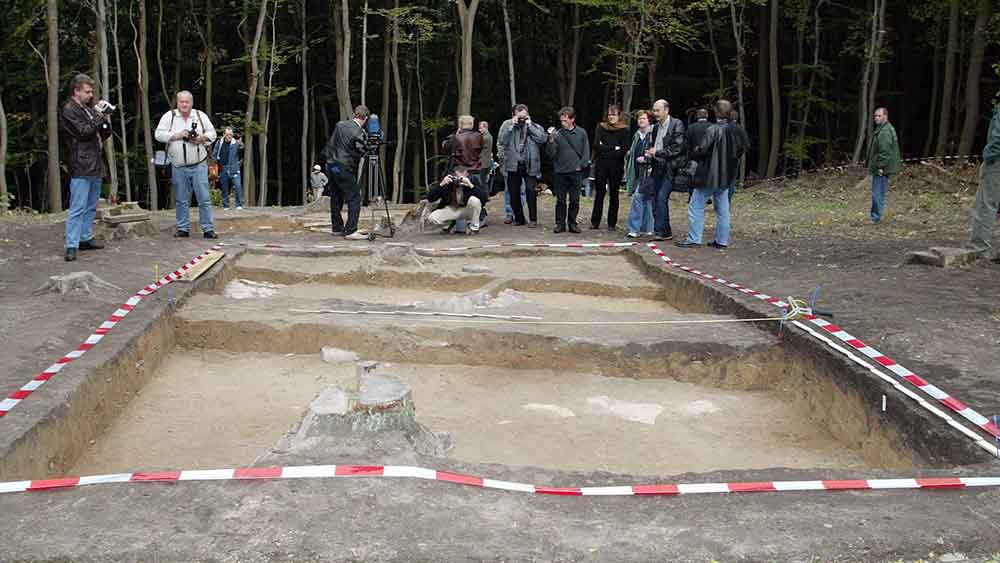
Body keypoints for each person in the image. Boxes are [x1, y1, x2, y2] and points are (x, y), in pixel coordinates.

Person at [678, 99, 749, 249]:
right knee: (723, 209)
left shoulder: (713, 129)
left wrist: (694, 153)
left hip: (709, 175)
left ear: (716, 112)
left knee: (695, 206)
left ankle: (694, 239)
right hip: (727, 176)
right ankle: (722, 240)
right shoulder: (738, 129)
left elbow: (701, 150)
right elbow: (744, 148)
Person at [61, 73, 112, 262]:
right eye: (87, 91)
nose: (91, 95)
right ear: (76, 91)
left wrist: (104, 118)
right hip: (81, 164)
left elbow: (104, 134)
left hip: (96, 163)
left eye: (91, 91)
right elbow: (83, 132)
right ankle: (71, 245)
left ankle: (85, 238)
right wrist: (98, 117)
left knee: (91, 205)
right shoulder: (69, 110)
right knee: (78, 207)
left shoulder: (88, 109)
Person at [154, 90, 218, 239]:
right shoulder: (169, 117)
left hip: (199, 164)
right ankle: (183, 228)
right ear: (177, 102)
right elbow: (158, 134)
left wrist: (201, 138)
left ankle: (208, 229)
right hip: (178, 166)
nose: (184, 104)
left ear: (191, 103)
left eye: (186, 101)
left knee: (204, 198)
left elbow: (213, 134)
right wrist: (176, 135)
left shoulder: (200, 116)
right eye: (181, 101)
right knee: (181, 200)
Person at [321, 104, 370, 240]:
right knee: (355, 197)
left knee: (336, 196)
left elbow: (333, 144)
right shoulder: (359, 132)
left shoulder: (340, 125)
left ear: (355, 114)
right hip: (343, 166)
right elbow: (362, 150)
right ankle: (351, 230)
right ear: (365, 118)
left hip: (331, 165)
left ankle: (337, 228)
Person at [498, 103, 547, 227]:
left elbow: (542, 139)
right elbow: (502, 141)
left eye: (524, 117)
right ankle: (519, 218)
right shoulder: (507, 124)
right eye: (519, 117)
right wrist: (511, 126)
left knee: (531, 191)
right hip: (513, 164)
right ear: (513, 115)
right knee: (513, 192)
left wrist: (530, 126)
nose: (521, 120)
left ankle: (533, 219)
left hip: (530, 164)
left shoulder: (534, 125)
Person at [645, 99, 686, 241]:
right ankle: (663, 231)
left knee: (662, 197)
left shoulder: (677, 124)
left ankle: (662, 231)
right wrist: (650, 153)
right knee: (655, 198)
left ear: (666, 110)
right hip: (656, 166)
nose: (655, 113)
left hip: (670, 168)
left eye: (658, 110)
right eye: (654, 110)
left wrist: (658, 152)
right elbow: (654, 145)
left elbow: (678, 148)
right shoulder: (655, 127)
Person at [546, 107, 590, 233]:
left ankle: (572, 223)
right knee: (560, 200)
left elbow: (586, 151)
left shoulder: (581, 133)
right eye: (561, 121)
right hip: (560, 172)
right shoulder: (558, 134)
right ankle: (560, 223)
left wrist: (581, 165)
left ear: (572, 119)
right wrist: (551, 140)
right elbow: (550, 154)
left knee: (575, 199)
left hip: (576, 172)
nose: (563, 123)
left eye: (565, 120)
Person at [590, 104, 630, 230]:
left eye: (614, 114)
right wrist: (613, 147)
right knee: (599, 193)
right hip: (601, 164)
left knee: (614, 194)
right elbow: (597, 145)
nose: (611, 117)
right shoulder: (601, 127)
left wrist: (606, 148)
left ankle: (612, 223)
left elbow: (623, 149)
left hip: (616, 166)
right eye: (609, 115)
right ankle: (595, 222)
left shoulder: (625, 130)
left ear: (619, 116)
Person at [968, 104, 1000, 260]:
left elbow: (998, 137)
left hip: (997, 162)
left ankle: (979, 248)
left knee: (986, 203)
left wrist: (989, 156)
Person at [425, 165, 488, 235]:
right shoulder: (447, 183)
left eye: (461, 177)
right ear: (452, 175)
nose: (458, 179)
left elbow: (484, 199)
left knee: (474, 200)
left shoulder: (473, 180)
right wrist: (441, 184)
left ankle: (474, 228)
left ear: (467, 175)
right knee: (432, 218)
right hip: (452, 209)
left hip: (467, 209)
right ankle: (448, 224)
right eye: (456, 176)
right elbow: (430, 198)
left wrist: (471, 186)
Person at [867, 107, 901, 223]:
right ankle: (876, 216)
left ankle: (875, 218)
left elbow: (885, 152)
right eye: (875, 116)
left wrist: (880, 166)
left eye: (879, 116)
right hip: (882, 167)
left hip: (881, 168)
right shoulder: (883, 129)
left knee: (877, 192)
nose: (876, 118)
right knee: (879, 192)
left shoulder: (885, 131)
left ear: (885, 116)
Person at [625, 110, 654, 238]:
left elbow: (656, 152)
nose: (640, 121)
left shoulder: (653, 134)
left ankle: (634, 228)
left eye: (643, 118)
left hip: (648, 173)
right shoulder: (636, 135)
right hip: (636, 172)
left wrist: (646, 159)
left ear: (649, 120)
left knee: (638, 198)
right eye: (639, 119)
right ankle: (647, 228)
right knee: (646, 200)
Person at [212, 127, 244, 210]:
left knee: (237, 186)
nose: (229, 136)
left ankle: (239, 204)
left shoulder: (236, 143)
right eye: (227, 135)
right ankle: (226, 205)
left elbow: (241, 149)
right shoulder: (219, 142)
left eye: (231, 135)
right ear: (224, 135)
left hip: (234, 168)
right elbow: (214, 154)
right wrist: (215, 163)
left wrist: (240, 144)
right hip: (222, 168)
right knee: (224, 187)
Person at [479, 120, 494, 190]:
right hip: (486, 162)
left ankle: (484, 196)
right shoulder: (489, 136)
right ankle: (486, 196)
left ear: (485, 128)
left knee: (482, 181)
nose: (479, 130)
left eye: (481, 128)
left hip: (483, 163)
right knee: (484, 181)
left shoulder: (485, 137)